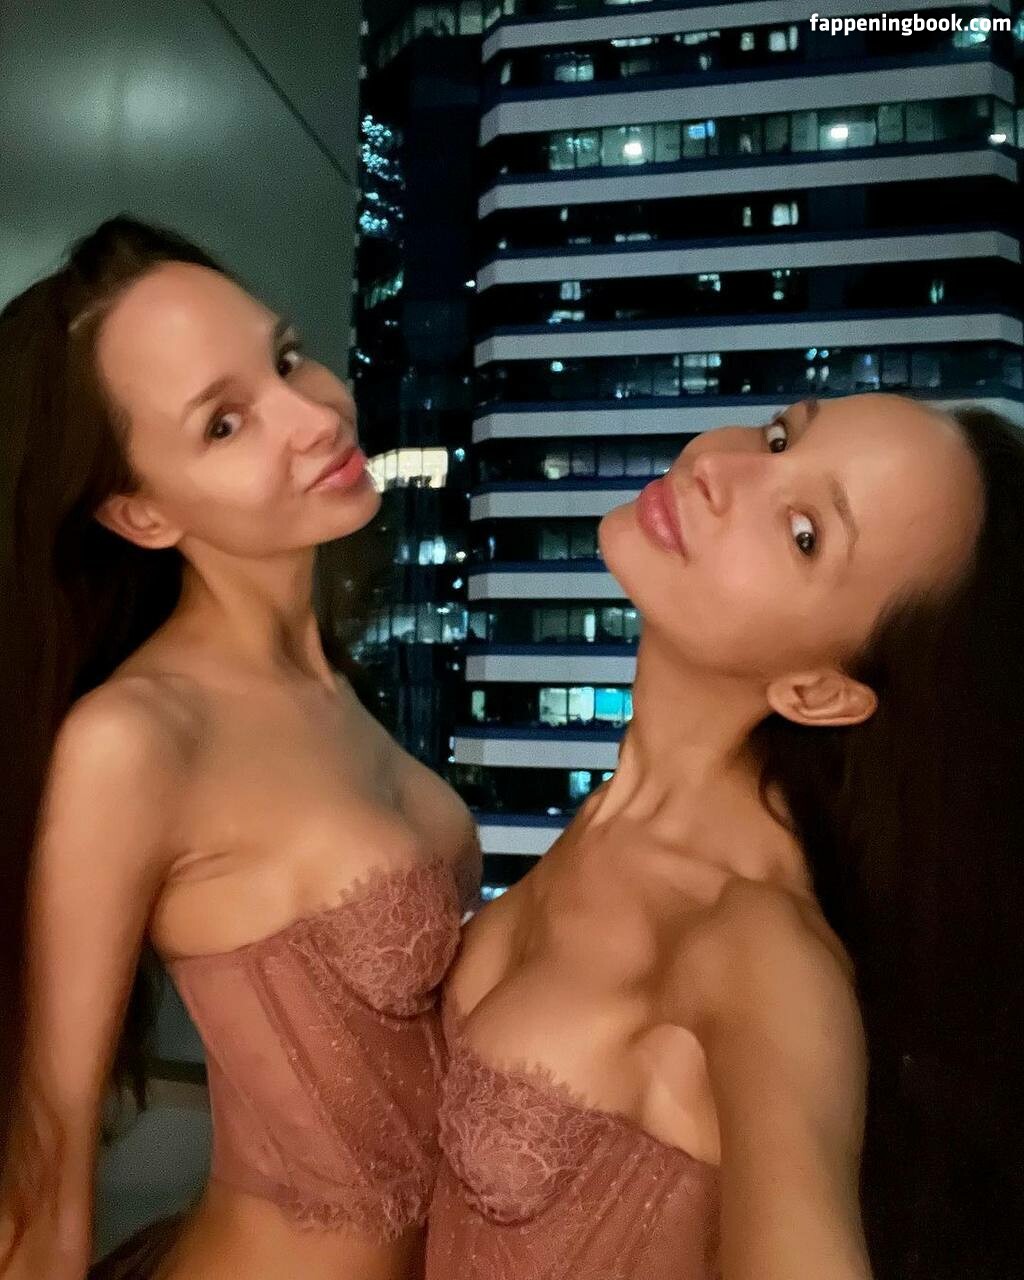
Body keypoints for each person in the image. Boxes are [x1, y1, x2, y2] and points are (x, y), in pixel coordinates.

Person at [425, 392, 1024, 1279]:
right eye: (780, 436)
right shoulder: (619, 820)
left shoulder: (762, 951)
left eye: (806, 533)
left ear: (819, 692)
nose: (717, 466)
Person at [0, 216, 482, 1280]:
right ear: (139, 513)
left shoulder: (334, 688)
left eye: (287, 357)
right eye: (225, 423)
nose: (313, 415)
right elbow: (44, 1159)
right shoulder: (135, 738)